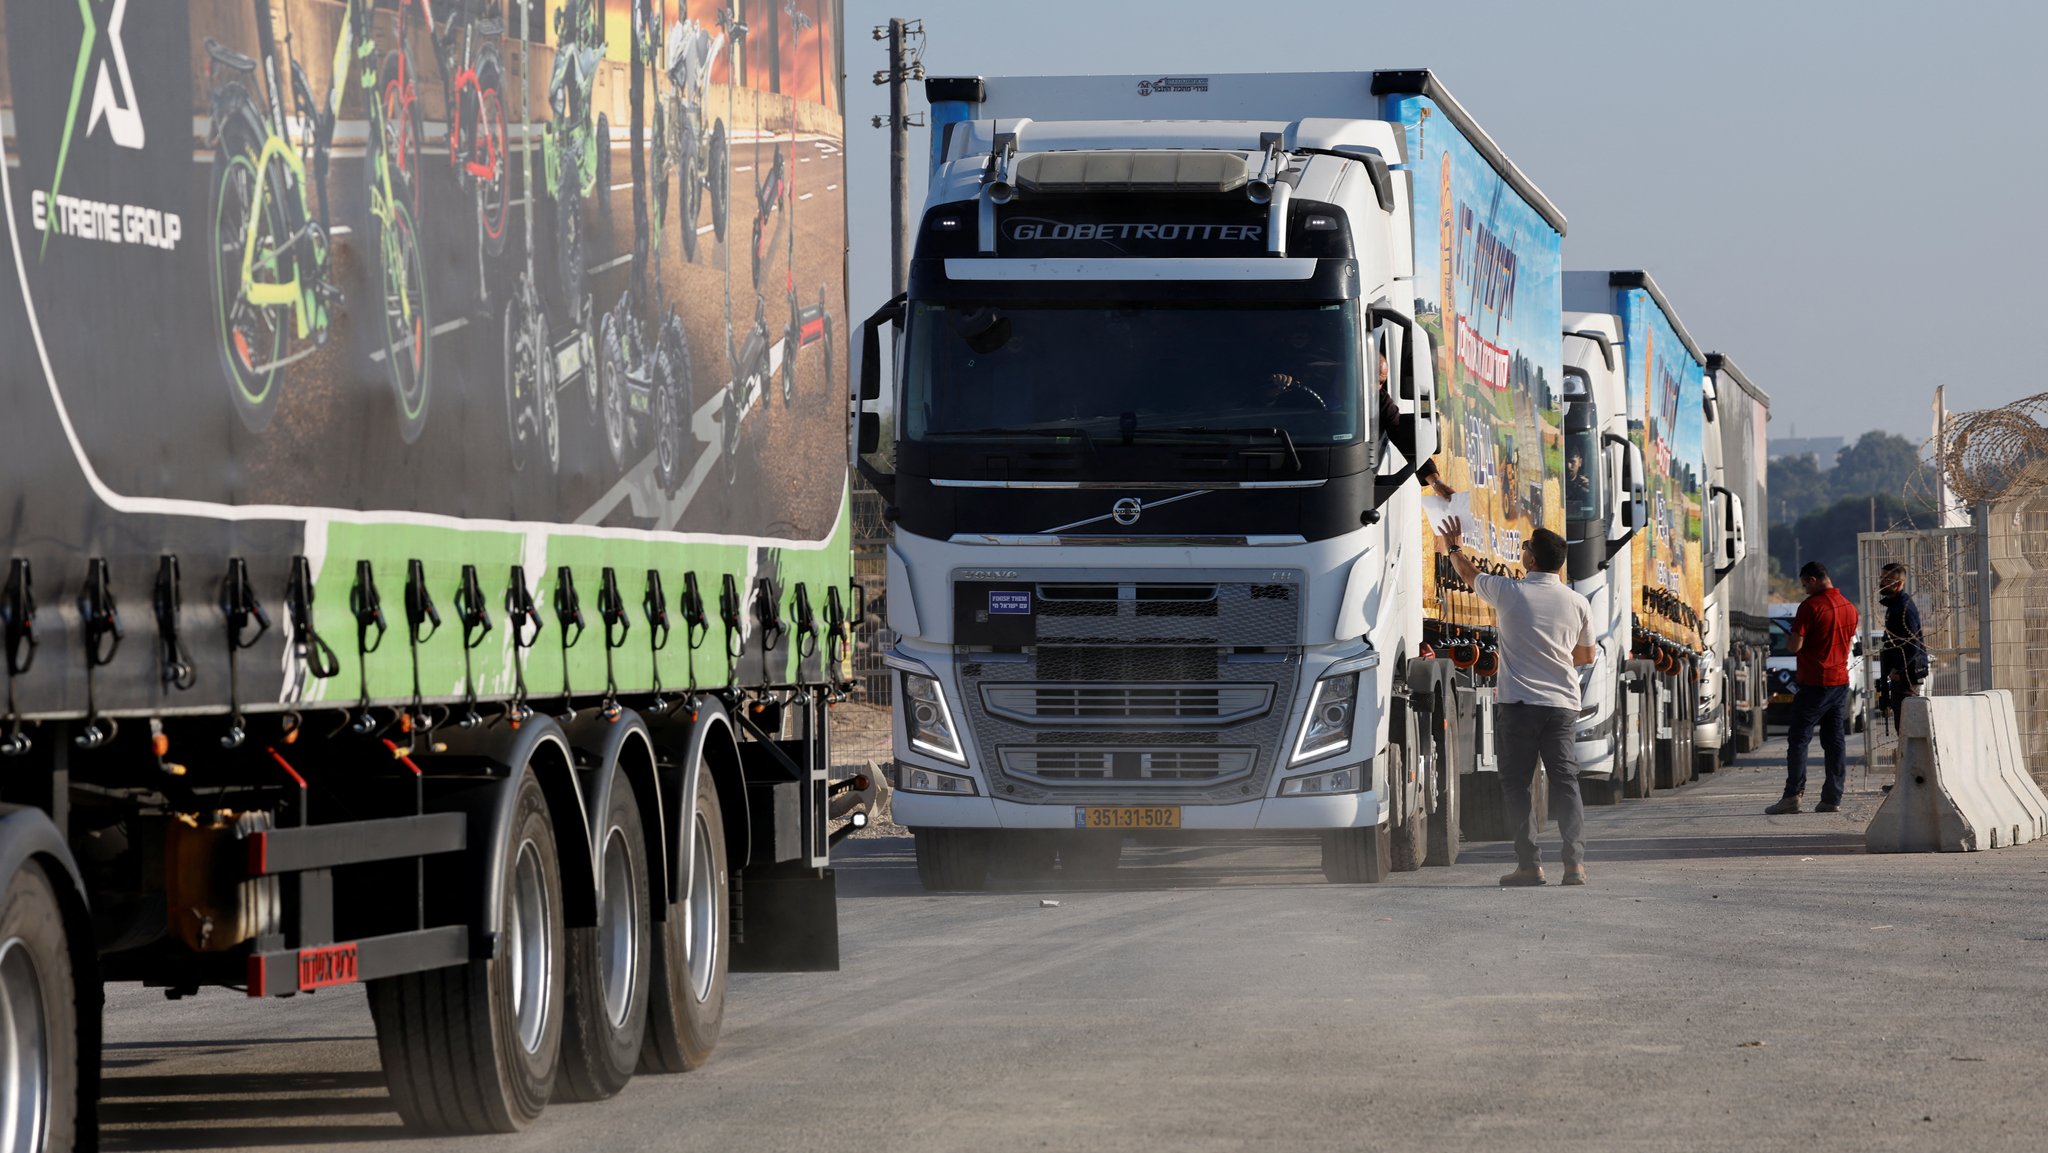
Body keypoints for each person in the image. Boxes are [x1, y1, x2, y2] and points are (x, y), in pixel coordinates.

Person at [1441, 519, 1597, 886]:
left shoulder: (1509, 593)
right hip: (1562, 706)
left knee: (1518, 784)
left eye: (1525, 546)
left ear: (1531, 560)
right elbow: (1587, 655)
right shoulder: (1578, 603)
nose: (1522, 551)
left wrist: (1453, 548)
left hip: (1520, 706)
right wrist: (1554, 657)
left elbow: (1468, 574)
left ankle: (1530, 865)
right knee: (1566, 782)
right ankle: (1575, 865)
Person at [1768, 561, 1859, 814]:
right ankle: (1832, 798)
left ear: (1811, 579)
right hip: (1840, 681)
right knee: (1834, 740)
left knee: (1799, 739)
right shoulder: (1850, 608)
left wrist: (1790, 635)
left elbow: (1794, 647)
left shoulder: (1810, 607)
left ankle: (1793, 796)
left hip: (1814, 682)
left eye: (1804, 584)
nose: (1804, 590)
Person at [1876, 562, 1929, 730]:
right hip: (1900, 675)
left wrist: (1898, 670)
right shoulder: (1894, 606)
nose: (1882, 582)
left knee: (1907, 727)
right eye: (1881, 577)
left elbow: (1913, 644)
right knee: (1902, 727)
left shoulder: (1904, 608)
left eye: (1887, 579)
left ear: (1899, 584)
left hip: (1906, 677)